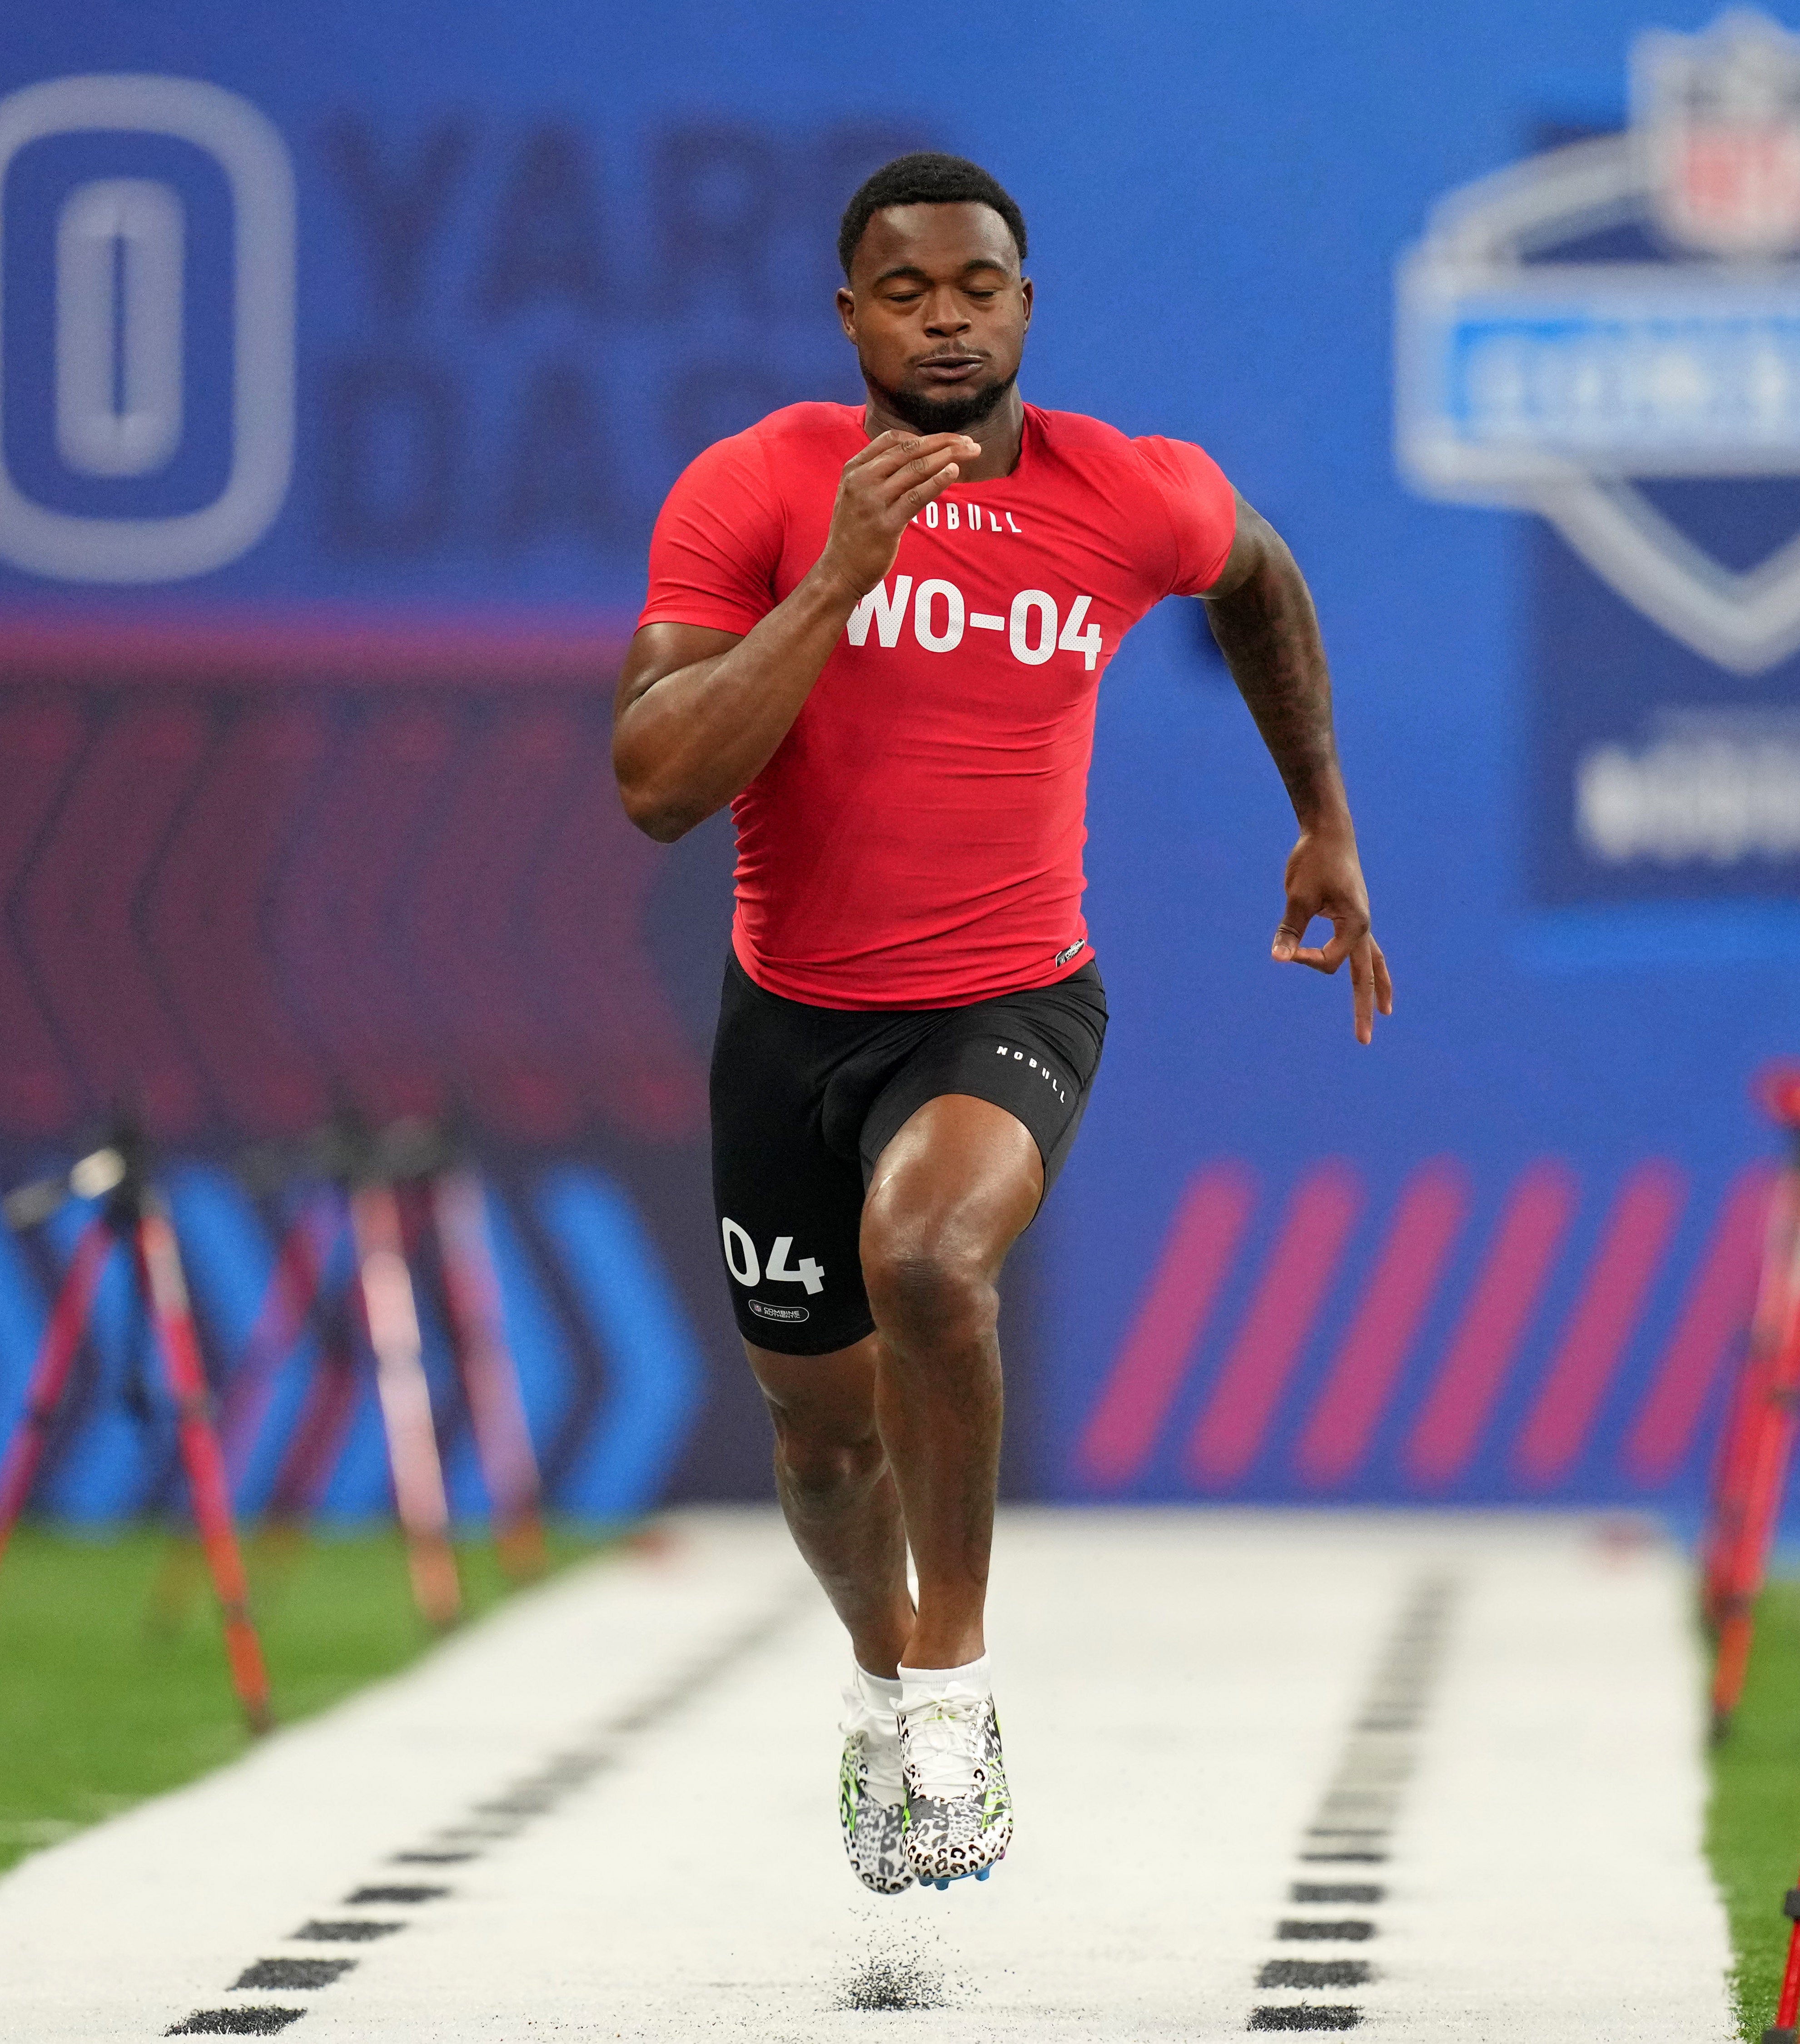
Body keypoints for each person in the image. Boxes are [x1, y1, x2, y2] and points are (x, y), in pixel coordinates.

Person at [611, 153, 1392, 1895]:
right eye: (906, 293)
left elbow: (1258, 577)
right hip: (787, 1025)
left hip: (1008, 996)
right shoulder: (755, 486)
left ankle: (955, 1690)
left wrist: (1321, 817)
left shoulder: (1125, 491)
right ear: (850, 320)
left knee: (927, 1261)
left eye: (977, 288)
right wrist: (835, 579)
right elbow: (654, 781)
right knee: (822, 1446)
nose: (945, 320)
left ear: (1025, 305)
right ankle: (882, 1685)